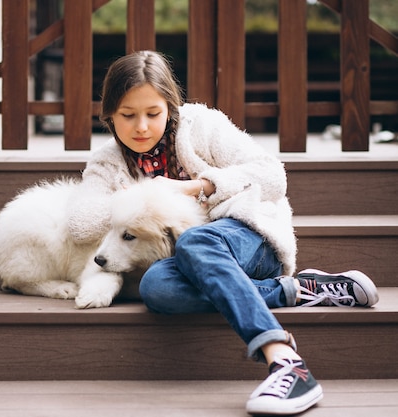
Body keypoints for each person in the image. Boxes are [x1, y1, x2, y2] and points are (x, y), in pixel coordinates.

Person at [67, 50, 380, 416]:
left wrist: (197, 187)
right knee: (156, 287)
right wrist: (142, 199)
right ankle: (298, 290)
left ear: (170, 106)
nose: (141, 127)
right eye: (127, 115)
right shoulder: (106, 162)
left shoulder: (202, 125)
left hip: (250, 236)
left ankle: (284, 359)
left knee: (195, 239)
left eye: (153, 114)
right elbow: (80, 223)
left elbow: (272, 175)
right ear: (108, 115)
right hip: (196, 266)